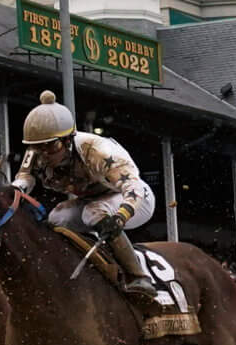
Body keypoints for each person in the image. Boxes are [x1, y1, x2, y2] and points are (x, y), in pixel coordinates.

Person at [13, 91, 166, 314]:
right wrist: (13, 191)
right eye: (39, 147)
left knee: (93, 213)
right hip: (92, 201)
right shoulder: (36, 152)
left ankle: (138, 276)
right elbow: (25, 178)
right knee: (56, 218)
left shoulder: (97, 150)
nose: (45, 154)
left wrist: (121, 215)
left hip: (135, 199)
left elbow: (132, 187)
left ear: (67, 140)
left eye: (51, 147)